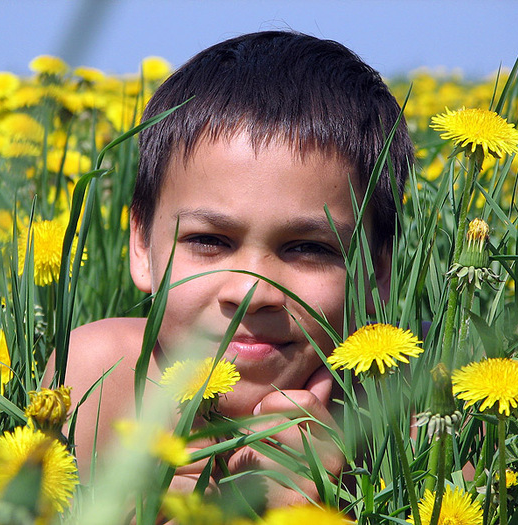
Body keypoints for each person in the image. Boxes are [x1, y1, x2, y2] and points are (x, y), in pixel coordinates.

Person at [45, 30, 414, 511]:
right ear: (142, 246)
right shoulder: (96, 380)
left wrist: (319, 515)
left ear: (377, 273)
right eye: (209, 241)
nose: (253, 292)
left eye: (307, 248)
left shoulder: (417, 416)